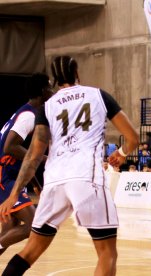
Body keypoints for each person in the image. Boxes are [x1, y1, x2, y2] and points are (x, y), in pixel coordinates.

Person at [0, 56, 139, 276]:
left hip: (55, 182)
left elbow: (33, 156)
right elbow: (132, 137)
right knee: (107, 253)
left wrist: (14, 193)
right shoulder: (98, 95)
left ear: (54, 79)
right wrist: (121, 154)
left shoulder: (47, 106)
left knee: (31, 250)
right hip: (86, 177)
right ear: (77, 73)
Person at [0, 73, 53, 256]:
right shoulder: (29, 115)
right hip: (4, 176)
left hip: (10, 175)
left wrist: (36, 185)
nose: (52, 91)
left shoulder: (29, 113)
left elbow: (27, 159)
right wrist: (45, 158)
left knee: (8, 230)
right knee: (34, 225)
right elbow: (9, 147)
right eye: (49, 87)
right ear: (42, 91)